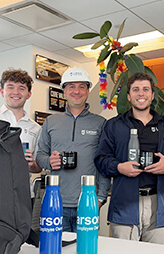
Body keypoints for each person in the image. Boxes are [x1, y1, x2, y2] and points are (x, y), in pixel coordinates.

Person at [94, 72, 164, 245]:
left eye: (145, 89)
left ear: (152, 95)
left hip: (159, 204)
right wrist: (120, 167)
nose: (141, 93)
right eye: (136, 90)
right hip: (124, 203)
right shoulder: (113, 125)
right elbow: (101, 159)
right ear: (128, 96)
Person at [36, 67, 110, 233]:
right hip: (56, 203)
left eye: (82, 86)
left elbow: (104, 163)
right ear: (64, 91)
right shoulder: (51, 121)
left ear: (88, 91)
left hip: (87, 203)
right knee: (56, 253)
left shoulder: (100, 123)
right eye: (71, 86)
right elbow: (40, 156)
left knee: (86, 253)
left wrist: (100, 198)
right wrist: (49, 161)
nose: (77, 91)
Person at [0, 68, 42, 199]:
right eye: (10, 87)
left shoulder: (36, 128)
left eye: (22, 88)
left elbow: (38, 168)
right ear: (2, 92)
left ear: (29, 94)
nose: (16, 92)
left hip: (23, 194)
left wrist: (32, 165)